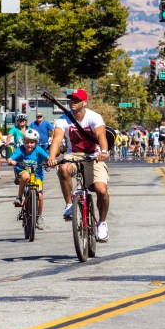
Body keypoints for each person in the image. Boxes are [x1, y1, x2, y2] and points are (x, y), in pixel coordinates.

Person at [47, 88, 111, 242]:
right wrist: (51, 157)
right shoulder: (63, 120)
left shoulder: (94, 117)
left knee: (101, 191)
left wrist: (103, 151)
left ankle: (101, 223)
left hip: (94, 155)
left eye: (76, 100)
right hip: (73, 155)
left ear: (84, 102)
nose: (72, 102)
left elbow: (101, 134)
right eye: (71, 99)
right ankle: (69, 204)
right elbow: (56, 139)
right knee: (63, 169)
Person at [7, 128, 49, 230]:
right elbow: (12, 157)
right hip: (23, 172)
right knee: (26, 175)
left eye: (32, 142)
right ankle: (19, 197)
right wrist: (11, 160)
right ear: (23, 142)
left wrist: (51, 161)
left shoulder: (39, 150)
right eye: (27, 142)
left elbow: (48, 157)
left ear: (36, 143)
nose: (29, 145)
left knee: (40, 195)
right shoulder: (20, 149)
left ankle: (39, 217)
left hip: (37, 176)